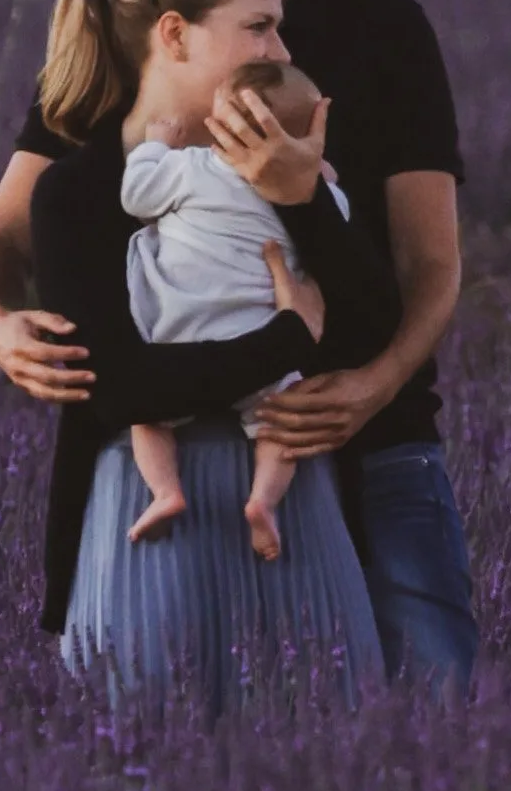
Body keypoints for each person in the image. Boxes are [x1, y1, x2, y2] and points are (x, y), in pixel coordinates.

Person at [0, 0, 480, 693]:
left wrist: (372, 385)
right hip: (168, 447)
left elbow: (432, 267)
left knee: (430, 724)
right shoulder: (128, 40)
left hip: (374, 449)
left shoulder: (385, 32)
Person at [27, 0, 401, 710]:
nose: (279, 53)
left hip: (292, 513)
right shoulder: (80, 192)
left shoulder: (298, 164)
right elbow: (121, 387)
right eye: (257, 28)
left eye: (279, 28)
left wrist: (305, 205)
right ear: (175, 34)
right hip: (146, 516)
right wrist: (289, 336)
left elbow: (372, 332)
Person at [123, 60, 349, 561]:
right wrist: (321, 176)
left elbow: (135, 195)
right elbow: (341, 219)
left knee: (147, 417)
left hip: (178, 335)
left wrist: (154, 145)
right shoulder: (305, 193)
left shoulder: (191, 168)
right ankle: (263, 501)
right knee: (279, 424)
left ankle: (166, 491)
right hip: (264, 337)